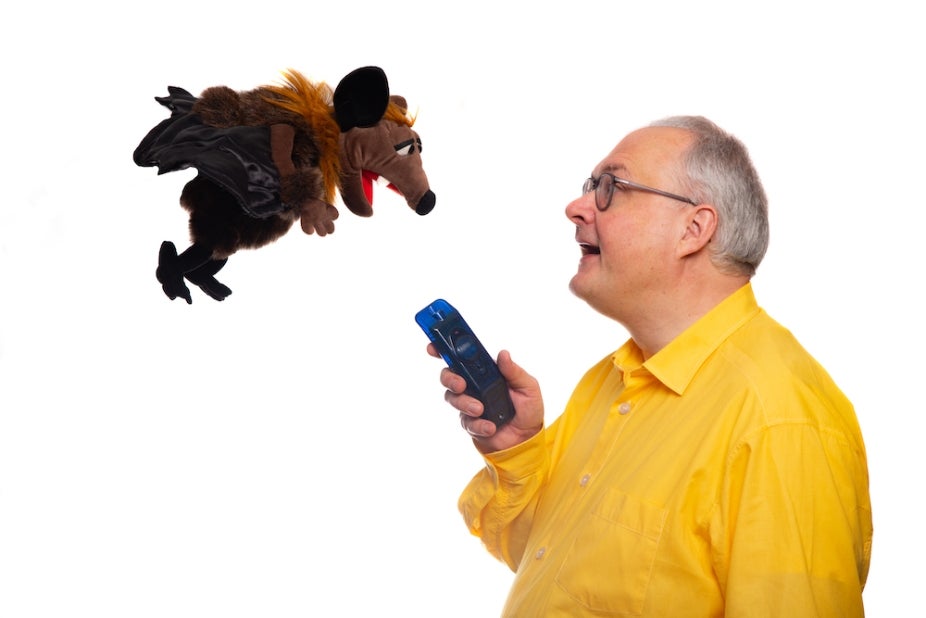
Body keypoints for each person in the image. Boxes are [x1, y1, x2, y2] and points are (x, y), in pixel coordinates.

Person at [427, 116, 873, 616]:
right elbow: (549, 560)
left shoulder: (781, 423)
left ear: (694, 229)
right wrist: (518, 451)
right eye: (588, 187)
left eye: (610, 188)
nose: (576, 207)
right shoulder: (609, 379)